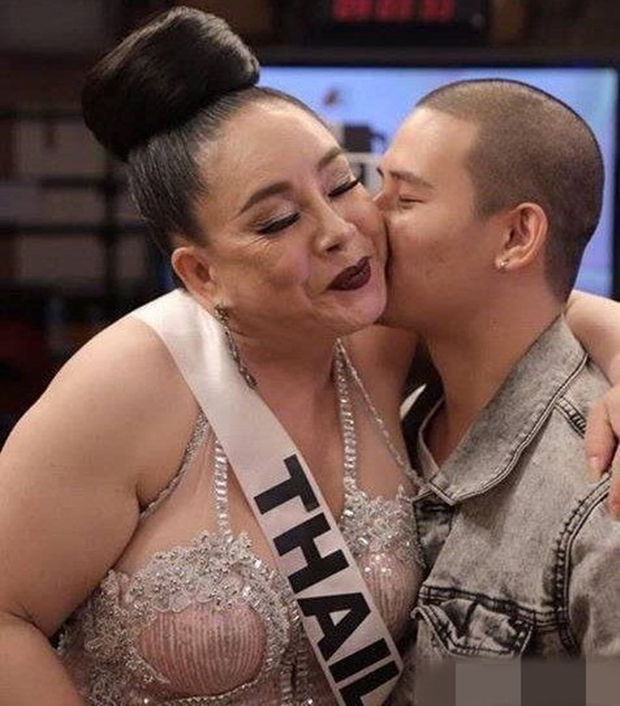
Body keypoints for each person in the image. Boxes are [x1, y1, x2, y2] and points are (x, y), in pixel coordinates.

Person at [0, 8, 617, 705]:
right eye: (278, 221)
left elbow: (522, 297)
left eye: (343, 184)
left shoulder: (379, 336)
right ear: (201, 274)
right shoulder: (132, 379)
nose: (338, 230)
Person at [374, 79, 620, 704]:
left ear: (516, 237)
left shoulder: (599, 489)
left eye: (404, 199)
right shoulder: (392, 408)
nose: (367, 220)